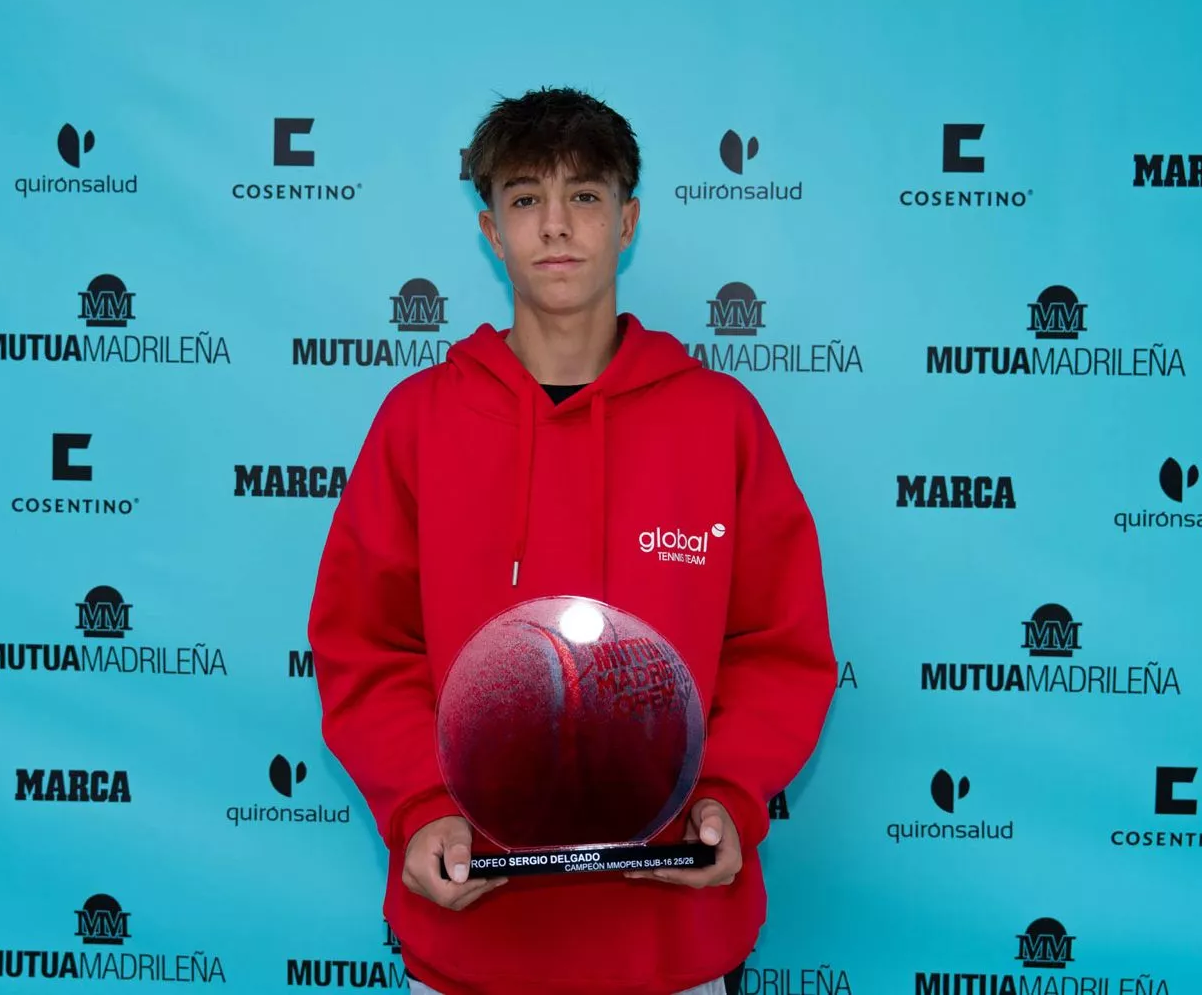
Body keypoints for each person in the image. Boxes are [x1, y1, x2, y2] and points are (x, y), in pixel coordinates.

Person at [307, 86, 837, 995]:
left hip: (666, 942)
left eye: (585, 196)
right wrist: (424, 805)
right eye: (525, 200)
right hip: (476, 941)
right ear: (490, 232)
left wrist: (729, 798)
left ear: (627, 221)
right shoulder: (418, 423)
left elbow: (778, 649)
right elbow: (365, 645)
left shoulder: (723, 424)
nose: (556, 226)